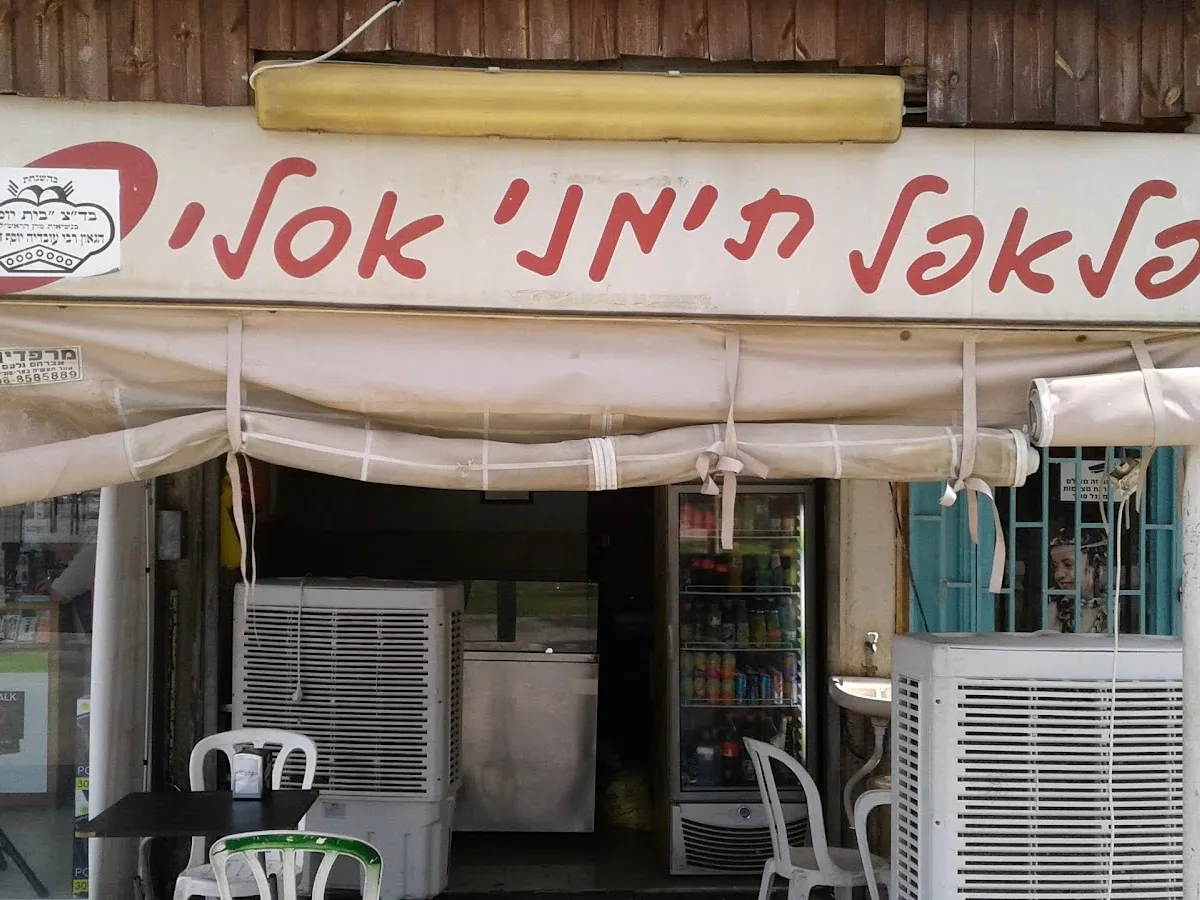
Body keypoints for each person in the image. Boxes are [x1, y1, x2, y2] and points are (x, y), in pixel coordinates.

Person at [1047, 529, 1108, 633]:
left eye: (1068, 565)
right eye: (1055, 566)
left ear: (1096, 565)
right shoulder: (1055, 608)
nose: (1059, 574)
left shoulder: (1113, 607)